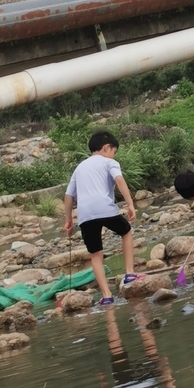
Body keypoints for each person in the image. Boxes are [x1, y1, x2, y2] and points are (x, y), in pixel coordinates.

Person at [64, 130, 143, 306]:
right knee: (126, 231)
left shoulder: (79, 168)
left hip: (85, 215)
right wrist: (130, 203)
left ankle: (107, 296)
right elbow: (119, 180)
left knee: (95, 255)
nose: (114, 155)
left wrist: (68, 220)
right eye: (114, 151)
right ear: (107, 148)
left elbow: (68, 196)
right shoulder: (110, 162)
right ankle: (130, 273)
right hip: (105, 208)